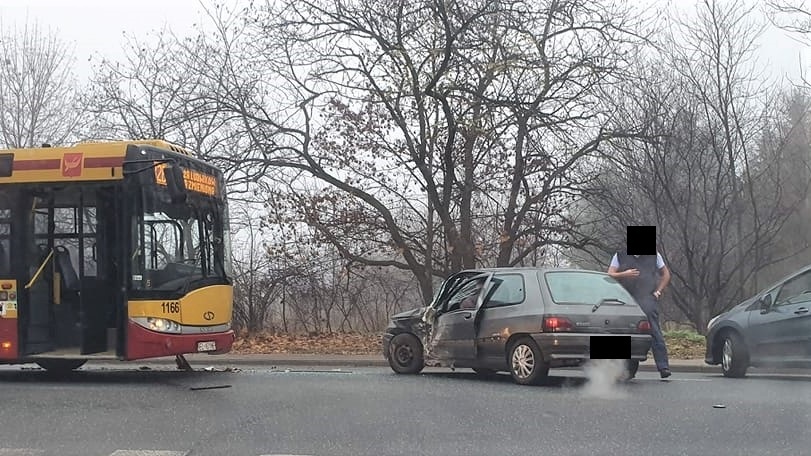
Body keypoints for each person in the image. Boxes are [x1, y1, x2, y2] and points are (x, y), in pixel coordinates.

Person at [607, 250, 672, 378]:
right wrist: (624, 274)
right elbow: (610, 274)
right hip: (626, 299)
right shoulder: (620, 255)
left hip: (647, 299)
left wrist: (658, 292)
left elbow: (666, 274)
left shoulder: (654, 255)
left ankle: (663, 367)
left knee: (654, 332)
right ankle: (629, 369)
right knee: (627, 333)